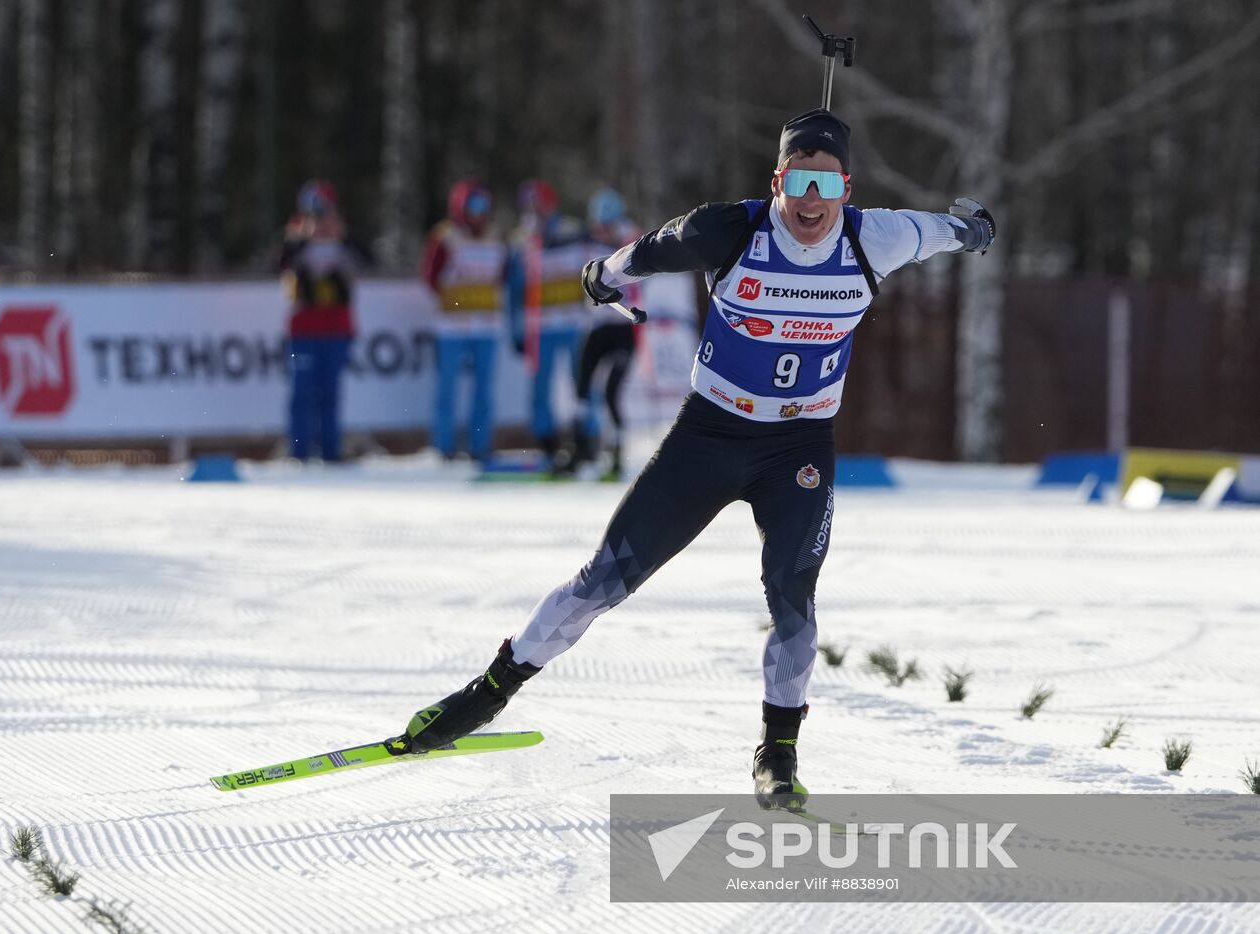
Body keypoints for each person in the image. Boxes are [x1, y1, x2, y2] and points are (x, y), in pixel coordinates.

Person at [390, 109, 995, 810]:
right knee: (603, 581)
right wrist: (600, 276)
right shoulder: (730, 229)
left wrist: (976, 228)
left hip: (798, 447)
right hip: (709, 437)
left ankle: (779, 753)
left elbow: (947, 231)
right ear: (776, 180)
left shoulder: (878, 237)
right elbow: (649, 250)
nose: (809, 199)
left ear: (847, 191)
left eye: (825, 184)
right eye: (797, 180)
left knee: (793, 599)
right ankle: (487, 693)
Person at [507, 179, 595, 469]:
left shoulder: (572, 230)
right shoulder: (522, 239)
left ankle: (588, 439)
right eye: (530, 207)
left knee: (581, 381)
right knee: (539, 386)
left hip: (573, 322)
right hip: (540, 325)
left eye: (540, 205)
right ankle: (547, 443)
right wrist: (517, 328)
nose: (536, 212)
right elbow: (515, 289)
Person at [419, 179, 509, 461]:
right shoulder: (445, 237)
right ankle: (443, 446)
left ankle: (479, 446)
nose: (480, 212)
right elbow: (430, 275)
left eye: (484, 206)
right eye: (474, 206)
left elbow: (504, 274)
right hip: (453, 327)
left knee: (483, 390)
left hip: (486, 325)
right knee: (447, 389)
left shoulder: (495, 236)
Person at [280, 180, 363, 462]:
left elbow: (366, 259)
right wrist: (301, 238)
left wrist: (342, 238)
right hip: (303, 328)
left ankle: (331, 451)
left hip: (337, 327)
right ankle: (299, 452)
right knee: (301, 394)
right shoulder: (295, 239)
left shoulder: (343, 240)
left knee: (331, 393)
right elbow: (278, 264)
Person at [569, 188, 645, 479]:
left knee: (612, 391)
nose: (602, 229)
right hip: (597, 326)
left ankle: (616, 453)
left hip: (623, 326)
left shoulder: (630, 237)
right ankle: (579, 449)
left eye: (607, 223)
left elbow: (643, 257)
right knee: (582, 386)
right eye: (599, 223)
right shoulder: (588, 239)